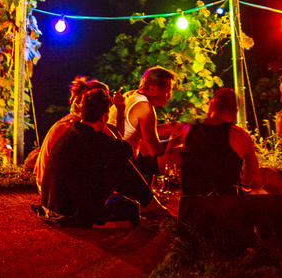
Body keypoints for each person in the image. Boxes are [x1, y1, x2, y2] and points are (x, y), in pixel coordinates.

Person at [36, 90, 141, 227]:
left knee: (125, 200)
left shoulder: (73, 130)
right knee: (129, 206)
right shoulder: (90, 136)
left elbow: (117, 147)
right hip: (66, 210)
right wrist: (121, 112)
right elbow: (124, 151)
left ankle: (152, 205)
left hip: (51, 204)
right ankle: (156, 207)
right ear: (104, 116)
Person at [180, 87, 262, 196]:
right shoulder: (240, 136)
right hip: (227, 205)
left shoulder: (188, 130)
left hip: (191, 205)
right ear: (235, 112)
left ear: (211, 106)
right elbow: (254, 179)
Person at [32, 76, 111, 190]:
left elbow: (117, 145)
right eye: (103, 99)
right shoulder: (71, 127)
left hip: (58, 188)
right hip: (53, 191)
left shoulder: (80, 123)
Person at [119, 66, 181, 192]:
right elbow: (155, 150)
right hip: (125, 166)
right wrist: (180, 139)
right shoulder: (145, 107)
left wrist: (171, 127)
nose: (169, 96)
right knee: (183, 153)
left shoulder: (131, 96)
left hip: (119, 160)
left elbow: (143, 132)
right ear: (152, 89)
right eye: (167, 91)